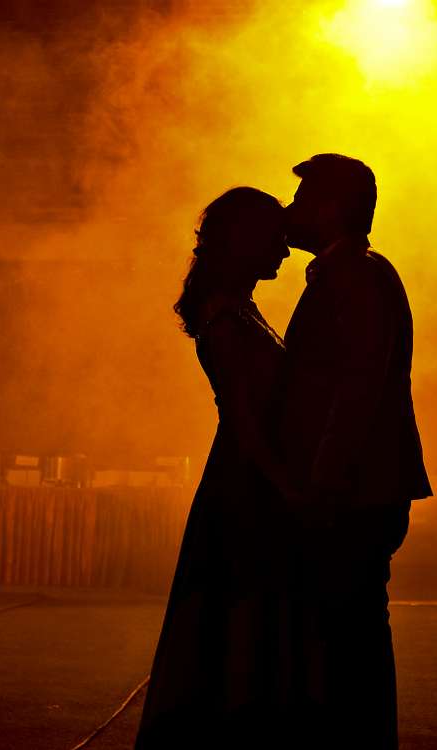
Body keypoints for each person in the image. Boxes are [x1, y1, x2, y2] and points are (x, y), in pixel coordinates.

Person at [133, 186, 308, 749]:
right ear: (245, 241)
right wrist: (287, 487)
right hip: (246, 482)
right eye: (275, 239)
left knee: (247, 608)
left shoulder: (240, 309)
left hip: (248, 474)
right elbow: (244, 420)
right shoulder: (227, 319)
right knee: (241, 607)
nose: (284, 250)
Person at [279, 153, 434, 748]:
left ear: (331, 208)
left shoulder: (358, 278)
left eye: (301, 200)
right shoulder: (353, 274)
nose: (290, 211)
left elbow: (357, 390)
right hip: (362, 485)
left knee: (350, 630)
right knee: (350, 627)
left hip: (355, 489)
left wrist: (322, 481)